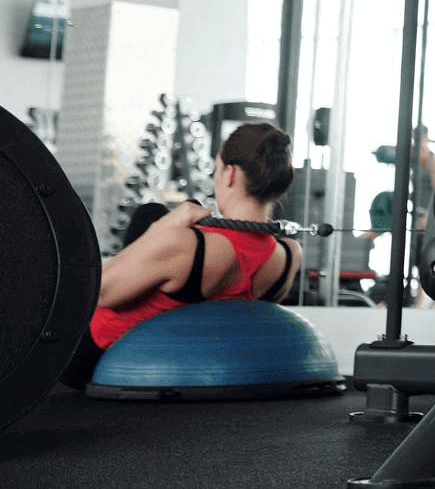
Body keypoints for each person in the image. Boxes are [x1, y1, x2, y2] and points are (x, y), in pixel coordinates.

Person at [62, 122, 302, 388]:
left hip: (96, 358)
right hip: (196, 369)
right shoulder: (288, 255)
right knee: (152, 211)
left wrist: (162, 228)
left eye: (216, 168)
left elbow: (94, 292)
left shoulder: (185, 245)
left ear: (230, 174)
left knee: (149, 214)